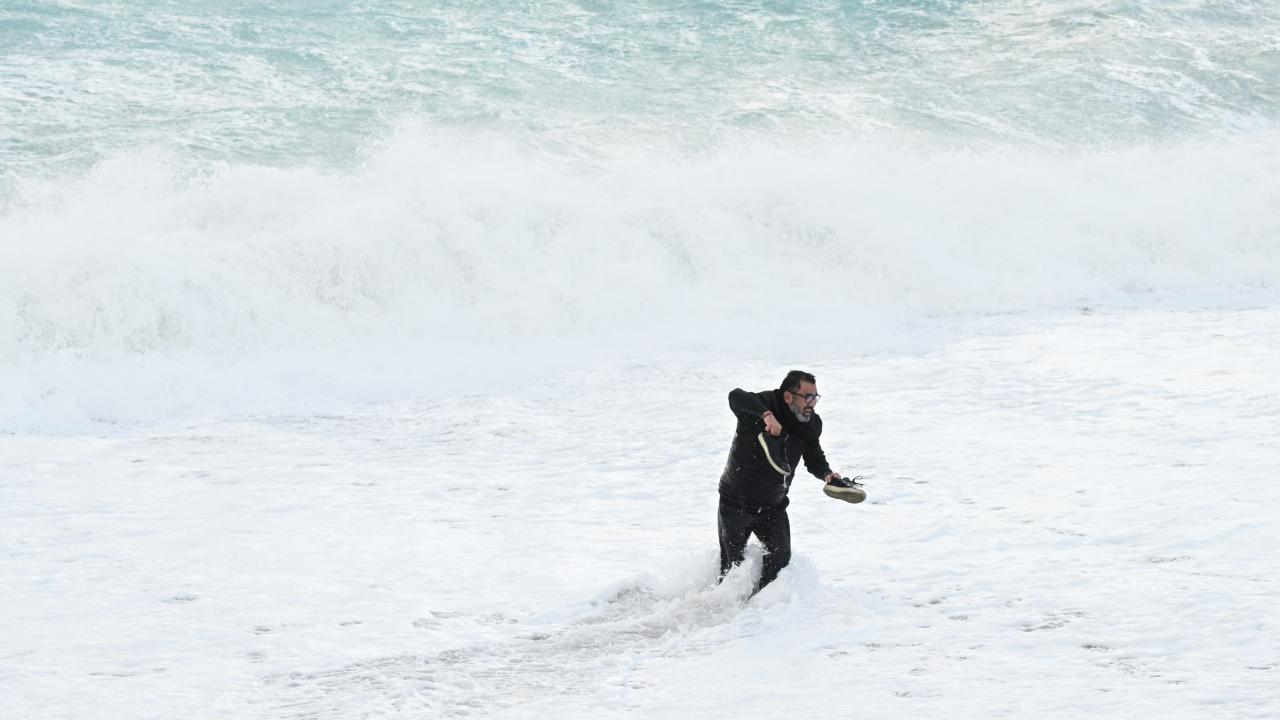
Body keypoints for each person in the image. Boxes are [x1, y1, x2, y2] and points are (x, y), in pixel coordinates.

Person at [717, 369, 851, 592]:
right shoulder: (762, 403)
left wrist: (827, 474)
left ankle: (762, 612)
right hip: (735, 504)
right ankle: (726, 618)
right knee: (732, 570)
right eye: (808, 397)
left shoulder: (810, 423)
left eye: (815, 397)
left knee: (779, 564)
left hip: (773, 506)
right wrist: (766, 415)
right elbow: (735, 396)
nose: (813, 403)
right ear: (788, 396)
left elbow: (814, 456)